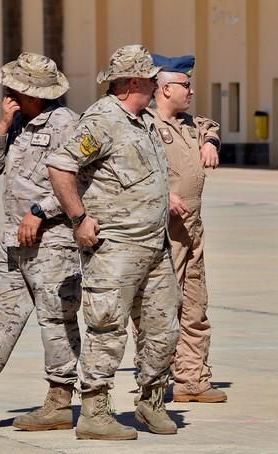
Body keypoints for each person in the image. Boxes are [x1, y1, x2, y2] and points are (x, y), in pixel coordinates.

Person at [46, 44, 182, 440]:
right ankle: (95, 411)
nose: (159, 84)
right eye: (153, 78)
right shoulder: (102, 120)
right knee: (107, 328)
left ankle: (151, 401)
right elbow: (61, 165)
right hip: (115, 249)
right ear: (136, 81)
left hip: (155, 247)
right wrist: (78, 218)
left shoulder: (143, 120)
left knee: (163, 328)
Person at [0, 52, 81, 430]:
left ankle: (59, 402)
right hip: (13, 241)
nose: (7, 90)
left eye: (14, 87)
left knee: (56, 319)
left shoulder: (67, 124)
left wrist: (40, 210)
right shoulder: (18, 122)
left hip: (52, 242)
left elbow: (78, 181)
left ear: (31, 91)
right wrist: (3, 124)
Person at [143, 53, 226, 404]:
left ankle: (192, 378)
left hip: (192, 229)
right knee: (160, 308)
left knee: (195, 305)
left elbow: (210, 126)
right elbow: (130, 174)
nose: (191, 91)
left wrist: (210, 142)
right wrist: (165, 195)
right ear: (164, 89)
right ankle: (154, 381)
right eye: (185, 85)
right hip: (163, 232)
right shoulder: (142, 124)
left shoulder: (188, 123)